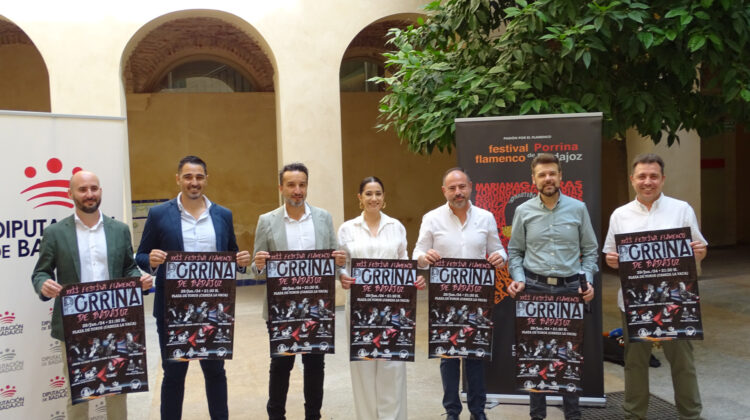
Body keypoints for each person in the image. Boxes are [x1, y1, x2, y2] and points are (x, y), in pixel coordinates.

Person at [136, 155, 251, 420]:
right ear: (178, 179)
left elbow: (231, 253)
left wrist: (241, 262)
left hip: (214, 310)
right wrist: (151, 260)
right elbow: (141, 255)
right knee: (174, 375)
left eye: (199, 177)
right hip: (172, 310)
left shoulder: (222, 215)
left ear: (206, 179)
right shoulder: (159, 214)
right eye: (188, 177)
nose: (194, 182)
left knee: (215, 372)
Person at [31, 170, 153, 420]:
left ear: (100, 191)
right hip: (74, 324)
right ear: (70, 194)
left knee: (117, 389)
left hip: (116, 321)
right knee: (78, 394)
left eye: (94, 188)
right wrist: (43, 285)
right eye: (83, 189)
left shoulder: (119, 229)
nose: (89, 194)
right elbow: (40, 272)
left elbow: (128, 267)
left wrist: (138, 279)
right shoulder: (55, 233)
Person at [603, 153, 707, 420]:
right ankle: (634, 415)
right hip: (635, 302)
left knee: (683, 362)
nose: (647, 181)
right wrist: (612, 260)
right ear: (632, 179)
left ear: (663, 179)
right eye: (642, 176)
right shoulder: (620, 215)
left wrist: (700, 251)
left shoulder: (681, 209)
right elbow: (611, 255)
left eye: (653, 176)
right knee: (635, 363)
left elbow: (700, 248)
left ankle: (691, 415)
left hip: (675, 300)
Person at [251, 162, 347, 420]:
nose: (297, 190)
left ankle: (313, 416)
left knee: (315, 364)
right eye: (291, 185)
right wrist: (259, 264)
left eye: (302, 184)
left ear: (307, 186)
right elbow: (256, 269)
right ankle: (276, 416)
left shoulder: (323, 218)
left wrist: (340, 266)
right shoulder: (267, 221)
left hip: (317, 305)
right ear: (281, 188)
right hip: (281, 308)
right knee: (281, 364)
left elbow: (334, 259)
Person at [506, 153, 597, 420]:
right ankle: (537, 416)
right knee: (536, 356)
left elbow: (590, 251)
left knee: (569, 354)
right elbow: (515, 252)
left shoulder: (578, 208)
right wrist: (518, 278)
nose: (548, 178)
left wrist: (587, 281)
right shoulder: (523, 211)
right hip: (534, 289)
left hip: (570, 290)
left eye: (552, 173)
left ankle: (573, 415)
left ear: (560, 176)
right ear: (533, 179)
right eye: (542, 174)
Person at [412, 167, 507, 420]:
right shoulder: (431, 218)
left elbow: (498, 249)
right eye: (452, 188)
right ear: (444, 191)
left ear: (470, 187)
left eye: (462, 187)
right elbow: (417, 253)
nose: (458, 192)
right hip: (445, 300)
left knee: (476, 356)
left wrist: (500, 257)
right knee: (448, 357)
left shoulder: (485, 217)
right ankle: (452, 411)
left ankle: (477, 411)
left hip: (477, 299)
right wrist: (425, 257)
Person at [337, 176, 426, 420]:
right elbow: (341, 264)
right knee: (363, 365)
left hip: (393, 306)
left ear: (384, 197)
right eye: (368, 193)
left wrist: (414, 280)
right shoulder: (347, 229)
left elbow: (403, 261)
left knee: (392, 365)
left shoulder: (396, 226)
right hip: (359, 307)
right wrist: (342, 276)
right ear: (360, 197)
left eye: (378, 193)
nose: (373, 198)